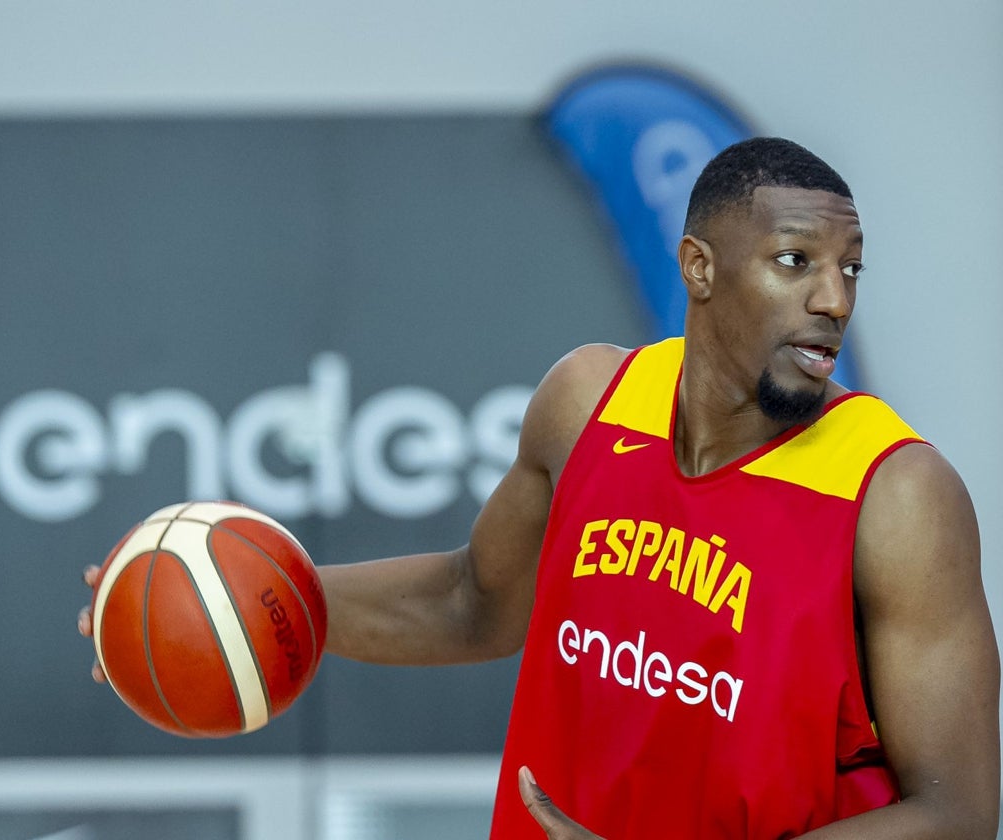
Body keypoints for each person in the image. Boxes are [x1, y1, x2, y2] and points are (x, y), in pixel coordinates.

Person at [80, 137, 1000, 838]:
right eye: (797, 262)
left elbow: (959, 812)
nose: (835, 299)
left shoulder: (897, 494)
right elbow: (473, 600)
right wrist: (246, 604)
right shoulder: (590, 401)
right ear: (700, 268)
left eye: (851, 269)